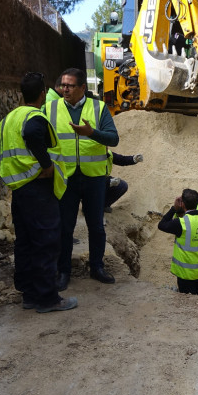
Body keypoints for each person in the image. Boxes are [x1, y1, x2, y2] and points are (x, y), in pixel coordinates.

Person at [0, 72, 77, 313]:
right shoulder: (35, 117)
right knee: (46, 241)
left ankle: (29, 294)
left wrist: (7, 172)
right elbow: (33, 135)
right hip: (38, 190)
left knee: (25, 242)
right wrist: (46, 165)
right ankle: (47, 299)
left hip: (20, 190)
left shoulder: (10, 119)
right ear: (43, 93)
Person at [47, 67, 120, 290]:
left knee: (96, 226)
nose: (64, 89)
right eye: (62, 85)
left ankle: (97, 267)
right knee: (65, 227)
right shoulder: (50, 108)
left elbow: (114, 139)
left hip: (94, 178)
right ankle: (63, 271)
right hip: (65, 177)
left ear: (82, 88)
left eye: (69, 86)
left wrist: (92, 133)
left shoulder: (98, 107)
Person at [157, 189, 198, 307]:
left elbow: (162, 225)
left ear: (182, 204)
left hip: (185, 276)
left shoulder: (181, 223)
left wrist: (173, 209)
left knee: (187, 307)